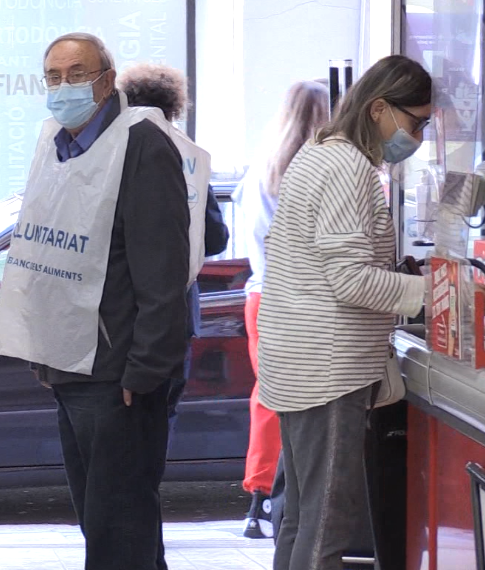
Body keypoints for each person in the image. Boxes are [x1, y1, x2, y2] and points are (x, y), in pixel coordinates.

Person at [0, 33, 191, 570]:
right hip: (72, 367)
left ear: (107, 79)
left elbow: (162, 271)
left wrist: (144, 370)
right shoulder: (59, 144)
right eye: (53, 76)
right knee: (108, 522)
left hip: (118, 374)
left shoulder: (141, 146)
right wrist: (44, 349)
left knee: (117, 525)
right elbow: (45, 254)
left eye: (77, 73)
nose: (64, 87)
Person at [257, 54, 431, 570]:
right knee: (328, 518)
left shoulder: (320, 153)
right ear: (379, 109)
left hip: (299, 359)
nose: (417, 136)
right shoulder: (347, 169)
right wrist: (434, 293)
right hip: (327, 369)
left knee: (303, 516)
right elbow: (350, 279)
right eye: (415, 122)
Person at [231, 80, 330, 539]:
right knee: (306, 404)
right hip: (301, 298)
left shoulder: (261, 169)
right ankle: (289, 501)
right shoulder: (318, 168)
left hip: (260, 295)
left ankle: (258, 499)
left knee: (268, 398)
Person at [117, 62, 230, 434]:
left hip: (124, 314)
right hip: (180, 311)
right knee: (161, 417)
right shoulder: (189, 157)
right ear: (174, 107)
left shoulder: (117, 152)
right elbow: (216, 238)